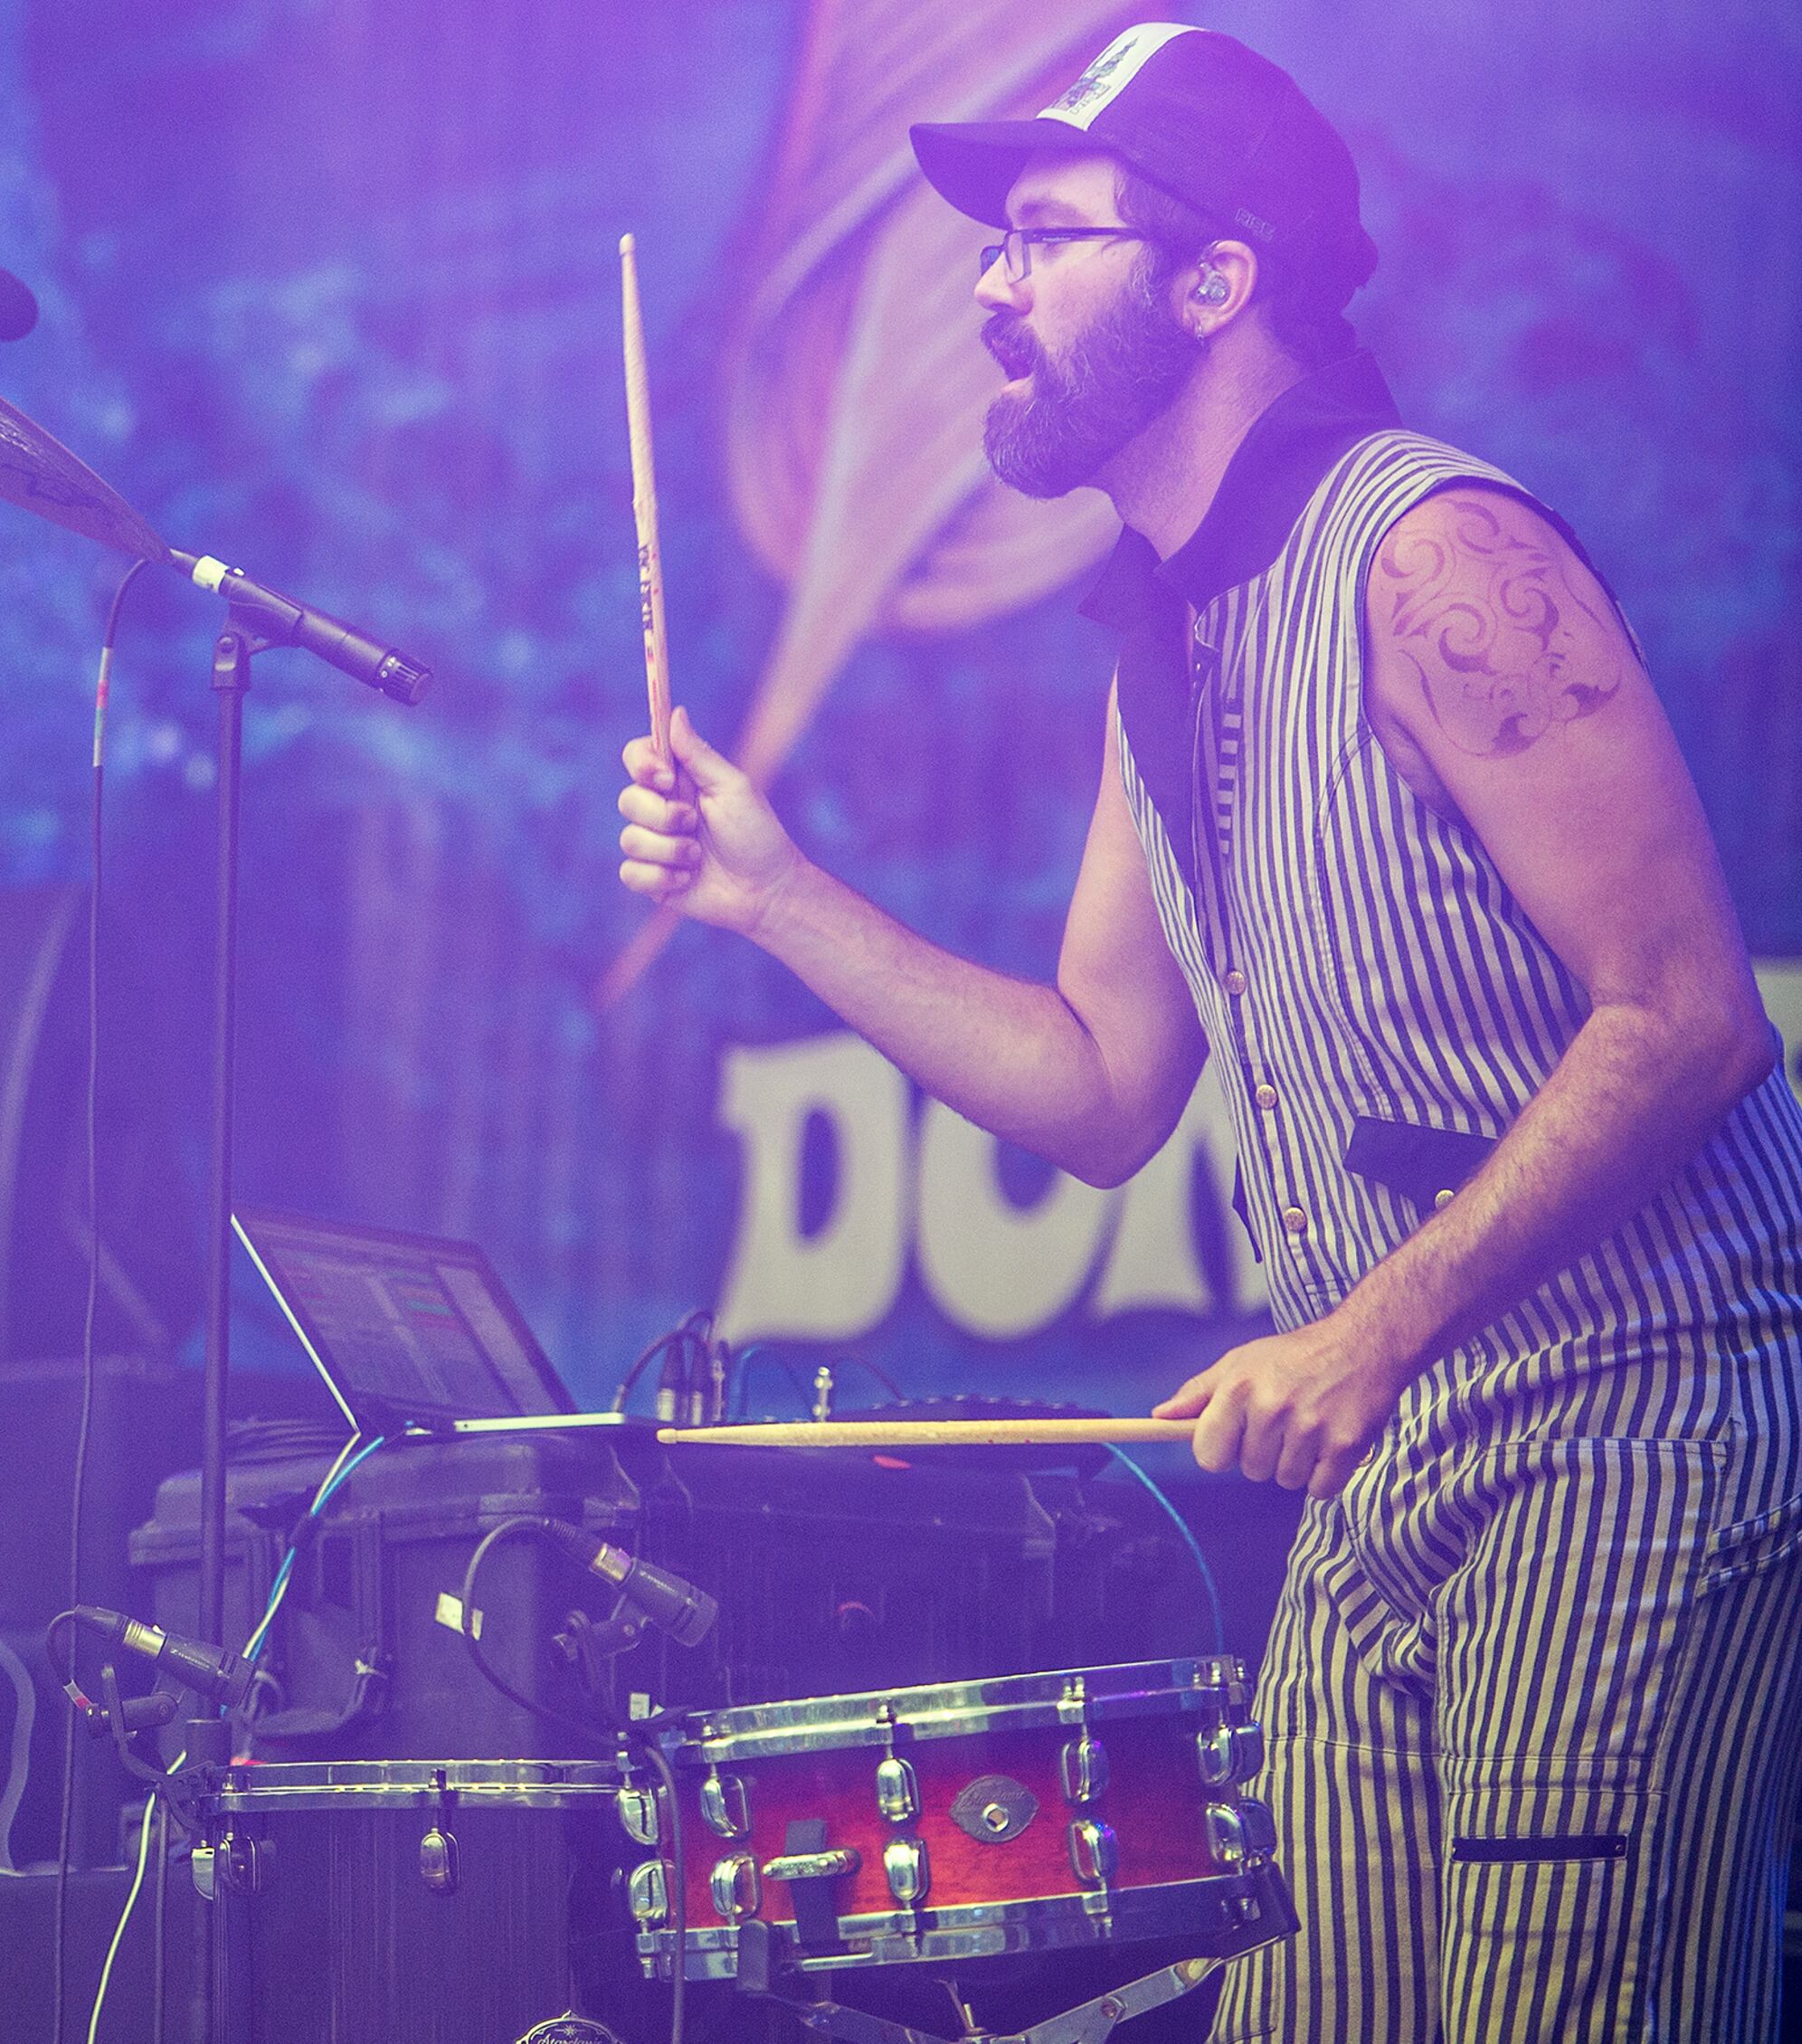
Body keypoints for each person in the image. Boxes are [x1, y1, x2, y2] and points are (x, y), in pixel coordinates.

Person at [615, 24, 1802, 2039]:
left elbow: (1688, 1017)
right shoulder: (1159, 627)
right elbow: (1098, 1090)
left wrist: (1364, 1329)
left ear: (1215, 280)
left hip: (1629, 1425)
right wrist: (775, 895)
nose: (986, 288)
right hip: (1388, 1468)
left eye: (1045, 239)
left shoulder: (1439, 554)